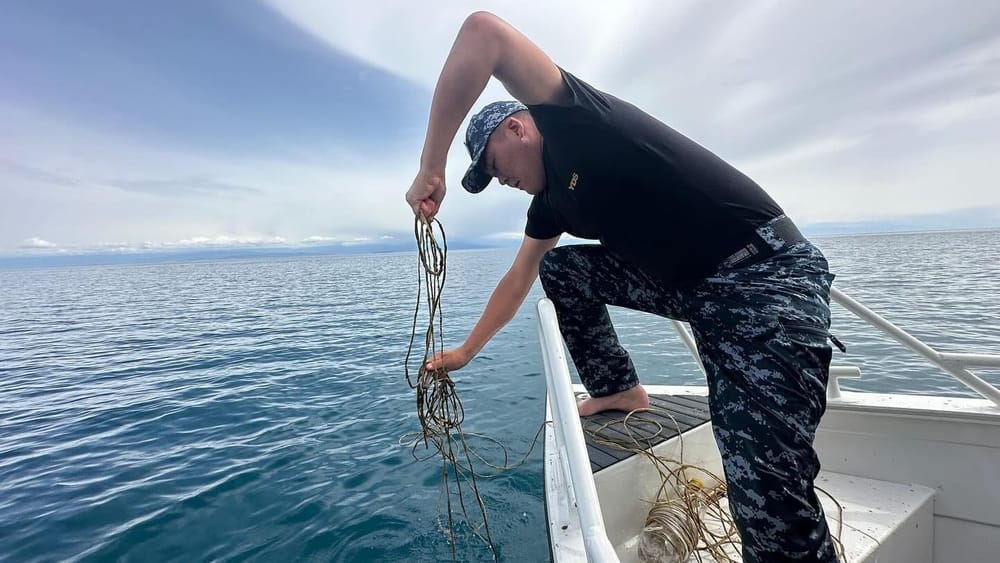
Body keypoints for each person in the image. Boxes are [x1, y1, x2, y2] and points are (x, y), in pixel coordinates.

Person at [405, 11, 838, 563]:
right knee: (560, 270)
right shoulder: (551, 203)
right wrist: (466, 351)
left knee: (767, 500)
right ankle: (617, 388)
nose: (500, 180)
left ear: (517, 127)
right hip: (697, 289)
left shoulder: (577, 120)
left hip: (763, 277)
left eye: (492, 164)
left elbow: (483, 33)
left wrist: (432, 165)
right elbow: (518, 279)